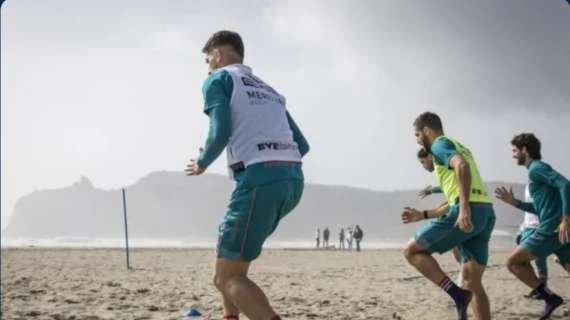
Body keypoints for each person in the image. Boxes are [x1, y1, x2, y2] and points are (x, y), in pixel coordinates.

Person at [185, 30, 310, 320]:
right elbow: (302, 145)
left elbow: (220, 132)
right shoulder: (269, 90)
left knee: (227, 279)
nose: (207, 67)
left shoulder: (218, 79)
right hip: (292, 180)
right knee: (230, 262)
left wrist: (203, 161)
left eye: (208, 60)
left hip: (258, 181)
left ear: (218, 55)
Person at [402, 112, 495, 320]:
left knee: (411, 251)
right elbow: (456, 186)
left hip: (467, 211)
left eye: (417, 135)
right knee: (473, 281)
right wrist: (423, 214)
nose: (417, 140)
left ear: (427, 130)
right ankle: (464, 295)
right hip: (486, 212)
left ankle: (457, 294)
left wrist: (463, 208)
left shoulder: (438, 145)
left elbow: (461, 165)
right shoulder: (458, 144)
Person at [495, 133, 570, 319]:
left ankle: (550, 298)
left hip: (551, 229)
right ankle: (549, 298)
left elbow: (565, 184)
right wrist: (515, 202)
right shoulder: (536, 173)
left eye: (515, 150)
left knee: (513, 262)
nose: (513, 155)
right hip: (557, 230)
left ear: (525, 150)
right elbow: (538, 208)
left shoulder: (536, 169)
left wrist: (566, 218)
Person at [417, 148, 463, 287]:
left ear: (430, 157)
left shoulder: (442, 164)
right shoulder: (441, 167)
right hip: (459, 204)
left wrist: (432, 191)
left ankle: (462, 280)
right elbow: (447, 187)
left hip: (461, 205)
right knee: (457, 247)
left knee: (457, 246)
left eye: (423, 162)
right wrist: (432, 190)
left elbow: (455, 183)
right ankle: (463, 278)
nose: (423, 166)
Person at [497, 184, 548, 299]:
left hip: (538, 227)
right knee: (523, 261)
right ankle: (539, 288)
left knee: (538, 259)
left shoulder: (543, 184)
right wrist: (523, 226)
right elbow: (528, 210)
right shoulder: (528, 186)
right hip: (528, 227)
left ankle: (543, 289)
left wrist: (514, 202)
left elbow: (539, 207)